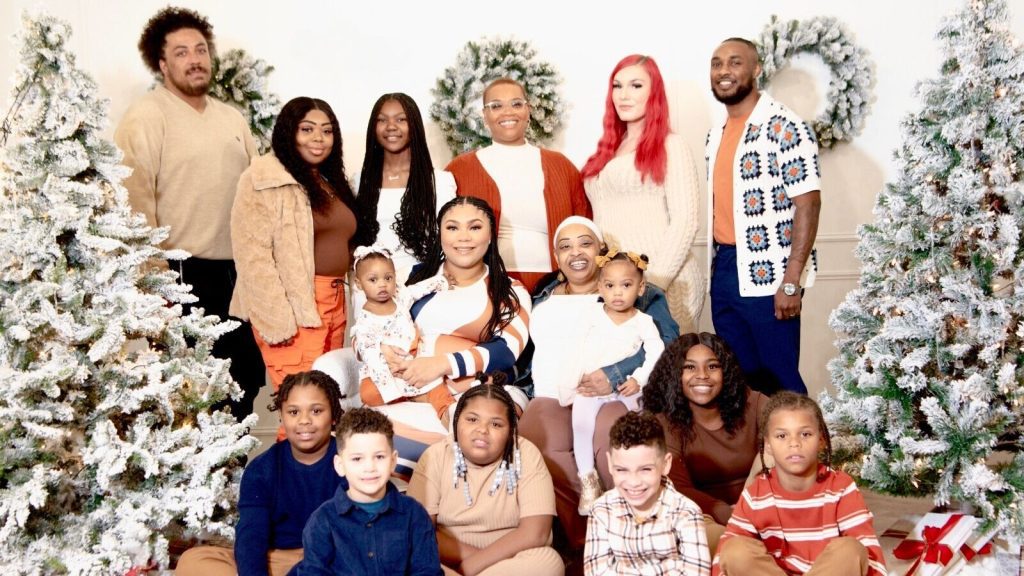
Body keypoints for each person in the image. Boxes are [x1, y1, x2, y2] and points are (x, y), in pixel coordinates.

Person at [114, 6, 264, 419]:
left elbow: (257, 192)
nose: (195, 59)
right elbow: (133, 199)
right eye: (181, 52)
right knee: (192, 391)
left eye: (200, 50)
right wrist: (153, 281)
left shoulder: (231, 118)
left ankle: (233, 479)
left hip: (238, 275)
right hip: (181, 276)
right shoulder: (146, 115)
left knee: (245, 379)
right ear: (161, 64)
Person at [519, 216, 678, 551]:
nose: (576, 252)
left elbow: (668, 344)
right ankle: (587, 537)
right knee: (535, 440)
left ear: (602, 251)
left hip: (615, 394)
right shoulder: (543, 297)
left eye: (585, 243)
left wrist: (615, 374)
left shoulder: (636, 290)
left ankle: (632, 534)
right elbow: (532, 354)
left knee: (614, 435)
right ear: (557, 258)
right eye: (565, 246)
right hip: (553, 392)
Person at [706, 38, 822, 395]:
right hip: (724, 266)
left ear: (756, 70)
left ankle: (806, 450)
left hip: (769, 271)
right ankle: (756, 452)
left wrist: (790, 280)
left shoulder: (784, 126)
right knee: (740, 382)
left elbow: (808, 203)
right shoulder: (717, 134)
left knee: (780, 378)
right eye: (717, 63)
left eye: (735, 62)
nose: (724, 71)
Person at [230, 97, 369, 391]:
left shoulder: (328, 180)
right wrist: (278, 321)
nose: (318, 138)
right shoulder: (263, 179)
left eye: (327, 131)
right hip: (296, 307)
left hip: (334, 303)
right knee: (303, 405)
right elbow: (252, 256)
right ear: (288, 131)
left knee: (329, 402)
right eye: (307, 129)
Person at [174, 371, 345, 576]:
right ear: (281, 416)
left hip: (331, 558)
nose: (304, 421)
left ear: (334, 416)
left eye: (316, 411)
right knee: (193, 561)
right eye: (293, 412)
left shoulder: (351, 459)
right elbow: (251, 537)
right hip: (278, 558)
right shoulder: (263, 469)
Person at [581, 55, 704, 333]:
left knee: (664, 371)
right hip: (620, 285)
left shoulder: (672, 145)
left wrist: (652, 286)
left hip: (665, 282)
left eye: (636, 86)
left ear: (654, 94)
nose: (624, 95)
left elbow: (686, 221)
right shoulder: (608, 149)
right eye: (617, 85)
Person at [384, 196, 532, 416]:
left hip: (477, 396)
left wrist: (440, 364)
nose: (463, 237)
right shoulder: (409, 278)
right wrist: (382, 349)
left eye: (475, 227)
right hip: (407, 392)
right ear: (440, 234)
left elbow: (506, 351)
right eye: (452, 227)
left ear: (491, 235)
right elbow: (371, 320)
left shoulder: (510, 291)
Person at [712, 392, 886, 576]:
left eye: (805, 434)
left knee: (851, 549)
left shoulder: (841, 487)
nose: (794, 443)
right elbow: (723, 558)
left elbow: (871, 553)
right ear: (768, 444)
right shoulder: (755, 494)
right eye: (781, 436)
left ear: (821, 441)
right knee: (734, 550)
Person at [446, 77, 591, 294]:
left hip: (557, 287)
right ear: (484, 116)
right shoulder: (459, 169)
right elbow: (445, 233)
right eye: (496, 106)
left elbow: (585, 224)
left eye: (516, 104)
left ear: (528, 110)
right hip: (487, 288)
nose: (507, 112)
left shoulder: (561, 165)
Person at [408, 383, 563, 576]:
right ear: (457, 422)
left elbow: (536, 532)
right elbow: (420, 534)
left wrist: (474, 567)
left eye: (496, 424)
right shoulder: (435, 457)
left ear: (510, 432)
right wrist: (471, 563)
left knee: (548, 562)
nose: (482, 430)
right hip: (448, 561)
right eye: (472, 420)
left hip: (512, 560)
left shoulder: (525, 453)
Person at [641, 333, 768, 553]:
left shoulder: (755, 403)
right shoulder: (665, 423)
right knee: (721, 542)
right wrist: (727, 514)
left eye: (712, 367)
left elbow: (791, 448)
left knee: (781, 441)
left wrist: (749, 508)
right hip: (704, 517)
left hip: (761, 505)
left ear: (725, 372)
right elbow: (677, 488)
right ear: (675, 375)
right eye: (689, 368)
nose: (702, 376)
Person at [569, 249, 665, 515]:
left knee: (646, 420)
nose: (618, 293)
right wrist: (578, 375)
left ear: (641, 287)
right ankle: (588, 480)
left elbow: (656, 351)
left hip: (626, 385)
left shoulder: (644, 322)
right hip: (592, 385)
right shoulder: (592, 315)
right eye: (610, 286)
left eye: (626, 285)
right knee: (581, 424)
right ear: (600, 287)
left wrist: (638, 379)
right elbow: (575, 346)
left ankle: (651, 473)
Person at [292, 407, 442, 575]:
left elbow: (428, 571)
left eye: (379, 457)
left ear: (393, 461)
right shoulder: (322, 520)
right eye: (357, 459)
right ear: (340, 465)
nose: (369, 467)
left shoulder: (414, 514)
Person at [584, 411, 710, 576]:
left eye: (645, 469)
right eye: (622, 470)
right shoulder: (601, 510)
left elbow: (697, 573)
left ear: (665, 464)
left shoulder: (686, 512)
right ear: (609, 463)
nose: (634, 482)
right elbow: (596, 572)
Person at [353, 93, 457, 286]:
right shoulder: (359, 181)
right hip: (371, 290)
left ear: (414, 126)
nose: (391, 126)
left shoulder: (440, 182)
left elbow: (450, 239)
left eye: (401, 119)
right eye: (382, 120)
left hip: (422, 284)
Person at [350, 244, 450, 416]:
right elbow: (372, 357)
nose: (382, 285)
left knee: (438, 388)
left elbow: (417, 290)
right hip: (388, 370)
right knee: (369, 393)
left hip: (412, 361)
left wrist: (441, 281)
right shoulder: (365, 322)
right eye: (373, 280)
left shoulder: (400, 298)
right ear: (359, 284)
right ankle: (402, 398)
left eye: (388, 278)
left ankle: (447, 413)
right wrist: (390, 390)